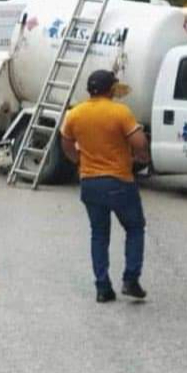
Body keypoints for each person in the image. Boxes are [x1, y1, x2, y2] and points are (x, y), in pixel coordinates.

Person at [60, 70, 151, 304]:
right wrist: (141, 157)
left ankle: (103, 287)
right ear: (111, 89)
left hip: (90, 182)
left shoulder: (75, 114)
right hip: (119, 180)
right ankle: (131, 279)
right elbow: (139, 141)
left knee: (99, 234)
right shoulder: (119, 112)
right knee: (134, 227)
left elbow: (66, 142)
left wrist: (78, 161)